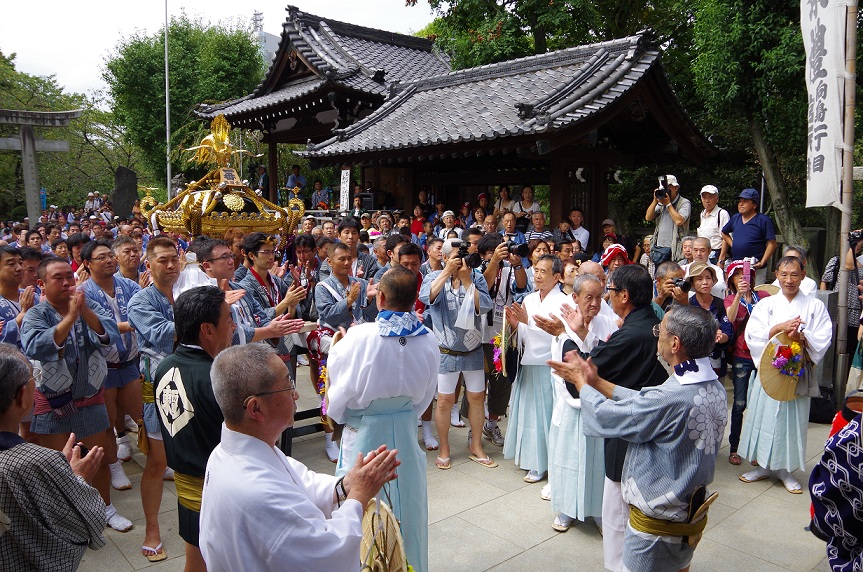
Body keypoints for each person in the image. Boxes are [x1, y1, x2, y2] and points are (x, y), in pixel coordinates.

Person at [549, 304, 727, 572]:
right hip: (687, 513)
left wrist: (580, 383)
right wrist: (596, 382)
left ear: (675, 343)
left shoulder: (672, 397)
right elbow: (644, 402)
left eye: (661, 331)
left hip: (657, 522)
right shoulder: (713, 386)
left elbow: (611, 415)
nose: (657, 336)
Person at [199, 343, 401, 572]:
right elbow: (326, 555)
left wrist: (347, 485)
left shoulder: (229, 451)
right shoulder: (257, 492)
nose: (296, 394)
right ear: (255, 409)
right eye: (288, 384)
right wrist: (359, 496)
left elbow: (301, 483)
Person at [327, 266, 438, 572]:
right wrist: (402, 414)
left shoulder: (358, 337)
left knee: (361, 506)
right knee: (409, 506)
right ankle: (410, 563)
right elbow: (426, 395)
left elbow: (338, 391)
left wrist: (341, 417)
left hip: (364, 431)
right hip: (403, 429)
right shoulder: (427, 337)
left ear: (382, 297)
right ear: (415, 297)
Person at [562, 264, 667, 571]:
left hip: (627, 431)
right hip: (655, 430)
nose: (605, 298)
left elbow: (582, 374)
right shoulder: (655, 326)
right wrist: (584, 332)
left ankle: (620, 566)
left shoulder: (629, 334)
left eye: (609, 291)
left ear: (624, 295)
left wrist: (570, 336)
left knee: (618, 510)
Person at [20, 258, 131, 533]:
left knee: (99, 458)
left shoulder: (86, 306)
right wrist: (69, 317)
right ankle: (64, 519)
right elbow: (35, 347)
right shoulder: (36, 314)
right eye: (58, 278)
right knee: (56, 466)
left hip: (90, 399)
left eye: (70, 276)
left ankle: (105, 509)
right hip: (52, 403)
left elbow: (111, 336)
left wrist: (83, 312)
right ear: (42, 284)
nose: (67, 283)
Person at [0, 345, 108, 571]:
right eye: (34, 378)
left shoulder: (40, 461)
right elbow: (86, 522)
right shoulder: (38, 462)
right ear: (22, 396)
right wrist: (77, 478)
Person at [153, 286, 235, 571]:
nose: (234, 326)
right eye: (228, 319)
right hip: (218, 489)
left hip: (188, 483)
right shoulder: (217, 377)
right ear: (207, 330)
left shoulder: (164, 367)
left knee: (196, 562)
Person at [738, 255, 832, 494]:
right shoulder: (766, 304)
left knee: (792, 420)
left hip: (795, 373)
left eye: (794, 274)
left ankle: (785, 469)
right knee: (763, 416)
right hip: (770, 371)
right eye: (784, 274)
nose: (789, 280)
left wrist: (802, 337)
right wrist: (779, 328)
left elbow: (822, 337)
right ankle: (763, 465)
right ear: (776, 275)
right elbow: (753, 335)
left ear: (803, 274)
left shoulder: (814, 306)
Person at [545, 273, 614, 532]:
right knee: (568, 459)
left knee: (597, 462)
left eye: (599, 296)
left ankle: (597, 510)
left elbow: (607, 361)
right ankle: (565, 510)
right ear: (575, 297)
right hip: (572, 406)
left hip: (598, 404)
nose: (595, 303)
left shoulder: (608, 324)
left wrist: (585, 334)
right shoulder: (561, 322)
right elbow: (568, 361)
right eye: (589, 297)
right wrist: (573, 334)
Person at [127, 236, 181, 561]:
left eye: (174, 258)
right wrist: (204, 315)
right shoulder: (140, 301)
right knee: (158, 462)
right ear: (149, 265)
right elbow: (161, 334)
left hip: (197, 384)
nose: (170, 264)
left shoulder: (187, 294)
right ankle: (151, 528)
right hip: (162, 388)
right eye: (162, 260)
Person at [420, 238, 494, 469]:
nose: (460, 260)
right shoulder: (433, 277)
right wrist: (447, 273)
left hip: (472, 348)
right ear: (444, 257)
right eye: (454, 256)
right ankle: (444, 447)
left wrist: (465, 279)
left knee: (477, 399)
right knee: (444, 401)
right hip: (445, 350)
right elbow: (426, 298)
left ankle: (476, 445)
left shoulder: (475, 277)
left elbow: (486, 306)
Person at [80, 239, 141, 492]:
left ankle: (159, 459)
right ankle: (114, 467)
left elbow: (142, 311)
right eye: (101, 257)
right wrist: (130, 326)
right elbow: (99, 325)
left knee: (143, 416)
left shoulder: (129, 285)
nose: (108, 260)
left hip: (129, 362)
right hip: (101, 367)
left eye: (109, 256)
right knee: (106, 423)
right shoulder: (83, 293)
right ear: (87, 263)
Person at [504, 255, 568, 483]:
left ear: (557, 277)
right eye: (536, 270)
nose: (538, 275)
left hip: (547, 364)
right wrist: (517, 324)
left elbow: (558, 333)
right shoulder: (529, 299)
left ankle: (547, 463)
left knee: (546, 416)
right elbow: (523, 334)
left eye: (544, 272)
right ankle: (533, 460)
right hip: (528, 362)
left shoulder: (563, 301)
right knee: (529, 415)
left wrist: (527, 321)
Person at [478, 234, 528, 446]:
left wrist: (517, 265)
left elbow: (522, 285)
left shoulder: (508, 269)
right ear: (483, 254)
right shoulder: (477, 269)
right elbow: (483, 286)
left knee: (500, 380)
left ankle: (491, 424)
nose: (498, 255)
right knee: (478, 384)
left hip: (500, 338)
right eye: (491, 252)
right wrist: (494, 261)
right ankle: (475, 426)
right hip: (478, 337)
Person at [723, 259, 769, 466]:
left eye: (746, 274)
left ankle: (757, 449)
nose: (743, 278)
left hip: (764, 357)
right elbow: (730, 319)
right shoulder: (729, 299)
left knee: (760, 404)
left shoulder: (765, 297)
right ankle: (734, 447)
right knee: (739, 404)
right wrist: (740, 296)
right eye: (738, 275)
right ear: (731, 280)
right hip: (742, 356)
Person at [720, 188, 777, 285]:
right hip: (737, 266)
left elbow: (772, 243)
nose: (741, 204)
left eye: (745, 201)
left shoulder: (763, 220)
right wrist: (733, 244)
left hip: (755, 266)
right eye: (740, 201)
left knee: (755, 293)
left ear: (754, 205)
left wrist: (763, 262)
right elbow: (724, 232)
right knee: (737, 292)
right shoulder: (736, 218)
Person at [686, 262, 733, 377]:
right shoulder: (688, 305)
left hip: (716, 360)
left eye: (708, 278)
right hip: (693, 361)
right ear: (692, 283)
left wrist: (722, 337)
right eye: (699, 279)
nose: (705, 282)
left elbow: (728, 331)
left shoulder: (720, 304)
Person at [645, 175, 691, 265]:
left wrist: (669, 204)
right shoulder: (662, 202)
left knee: (673, 278)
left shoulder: (684, 203)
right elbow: (648, 217)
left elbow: (679, 221)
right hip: (659, 250)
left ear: (676, 188)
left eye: (668, 188)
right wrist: (655, 201)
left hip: (675, 251)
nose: (666, 191)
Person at [0, 245, 35, 349]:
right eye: (11, 264)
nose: (19, 268)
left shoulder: (32, 295)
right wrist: (24, 312)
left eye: (20, 263)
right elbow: (2, 339)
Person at [696, 185, 730, 265]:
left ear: (717, 199)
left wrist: (721, 259)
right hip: (703, 255)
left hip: (716, 255)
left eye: (710, 197)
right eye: (704, 197)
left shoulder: (722, 214)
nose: (707, 201)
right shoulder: (702, 214)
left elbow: (726, 238)